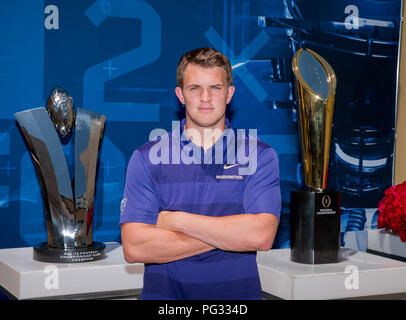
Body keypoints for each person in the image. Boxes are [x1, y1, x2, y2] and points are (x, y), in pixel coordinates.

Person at [119, 47, 281, 300]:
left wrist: (176, 220)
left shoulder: (260, 156)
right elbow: (135, 247)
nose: (205, 98)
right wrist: (232, 233)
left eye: (215, 88)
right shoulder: (147, 158)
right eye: (195, 88)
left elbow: (260, 236)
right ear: (181, 95)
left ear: (229, 94)